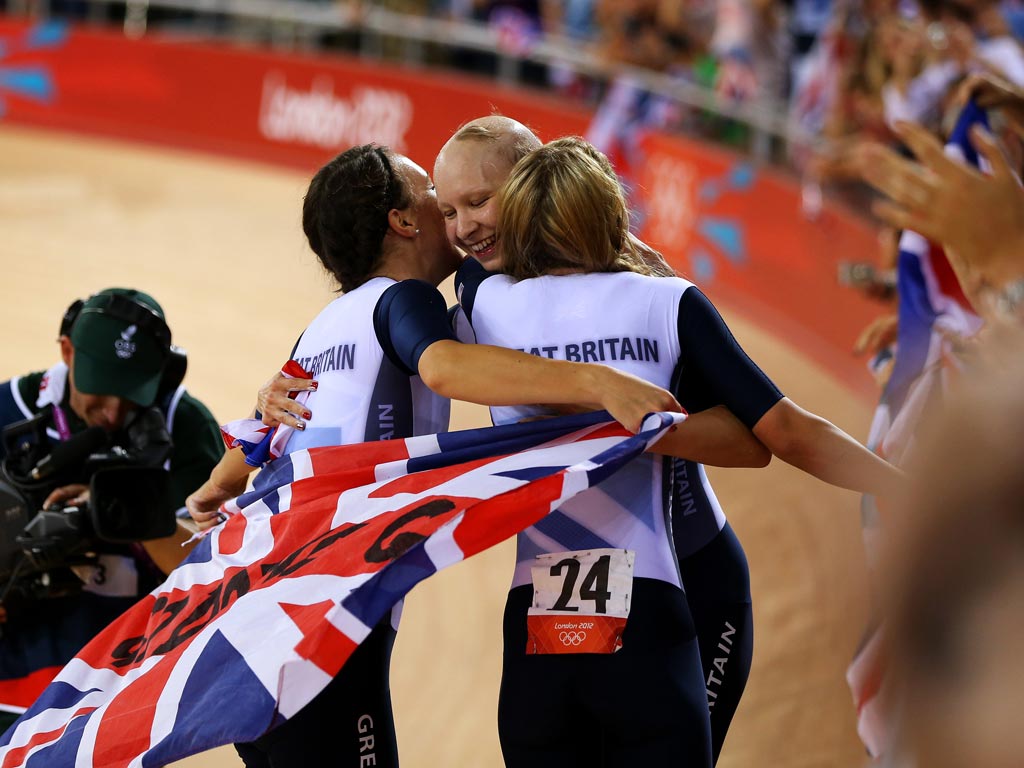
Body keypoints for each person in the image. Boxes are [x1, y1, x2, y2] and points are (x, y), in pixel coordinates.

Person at [188, 143, 759, 768]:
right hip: (334, 630)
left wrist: (224, 471)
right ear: (405, 222)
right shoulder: (449, 307)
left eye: (476, 201)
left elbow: (272, 430)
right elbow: (445, 368)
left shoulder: (337, 323)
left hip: (271, 614)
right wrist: (597, 383)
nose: (459, 222)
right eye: (442, 201)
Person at [446, 135, 905, 766]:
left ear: (520, 210)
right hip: (674, 589)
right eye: (451, 212)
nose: (465, 228)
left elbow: (413, 328)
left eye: (478, 204)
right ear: (613, 217)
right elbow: (780, 439)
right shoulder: (667, 300)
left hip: (546, 609)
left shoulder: (482, 307)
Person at [0, 288, 223, 733]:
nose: (114, 410)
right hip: (14, 673)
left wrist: (118, 509)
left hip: (121, 689)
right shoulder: (8, 410)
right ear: (67, 352)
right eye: (101, 392)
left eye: (132, 392)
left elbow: (216, 575)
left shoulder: (188, 428)